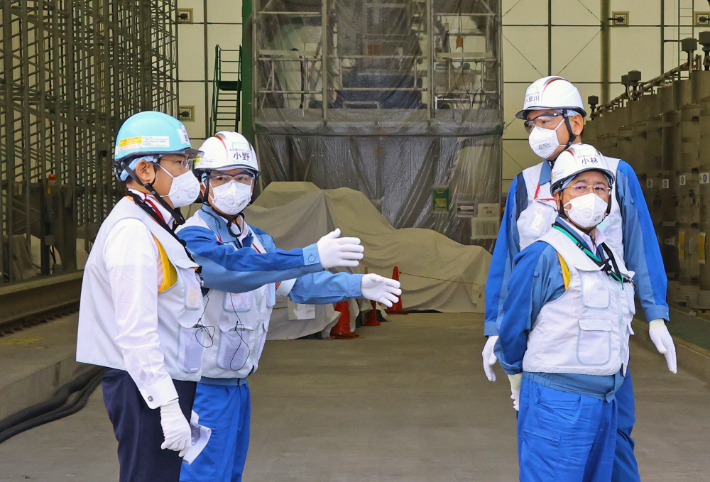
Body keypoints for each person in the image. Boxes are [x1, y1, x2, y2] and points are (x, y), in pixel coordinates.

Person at [176, 132, 402, 482]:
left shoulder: (257, 240)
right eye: (221, 178)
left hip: (237, 386)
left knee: (229, 474)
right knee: (204, 476)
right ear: (202, 183)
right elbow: (233, 270)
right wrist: (310, 256)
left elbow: (295, 285)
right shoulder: (194, 235)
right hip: (202, 388)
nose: (232, 187)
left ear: (253, 185)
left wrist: (356, 284)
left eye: (242, 178)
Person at [481, 76, 677, 482]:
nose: (539, 130)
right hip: (552, 343)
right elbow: (509, 258)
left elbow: (642, 245)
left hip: (606, 333)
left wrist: (655, 313)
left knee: (615, 440)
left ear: (577, 123)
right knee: (554, 449)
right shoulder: (526, 183)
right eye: (532, 122)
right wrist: (496, 328)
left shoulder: (618, 175)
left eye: (548, 118)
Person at [499, 147, 648, 482]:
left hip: (606, 400)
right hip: (559, 401)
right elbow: (513, 327)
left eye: (600, 187)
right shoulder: (544, 255)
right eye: (579, 187)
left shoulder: (608, 256)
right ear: (557, 196)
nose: (592, 195)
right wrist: (515, 375)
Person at [77, 112, 207, 481]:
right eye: (180, 162)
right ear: (146, 171)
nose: (188, 172)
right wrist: (165, 403)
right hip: (144, 387)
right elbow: (135, 331)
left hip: (159, 381)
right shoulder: (132, 231)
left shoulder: (156, 223)